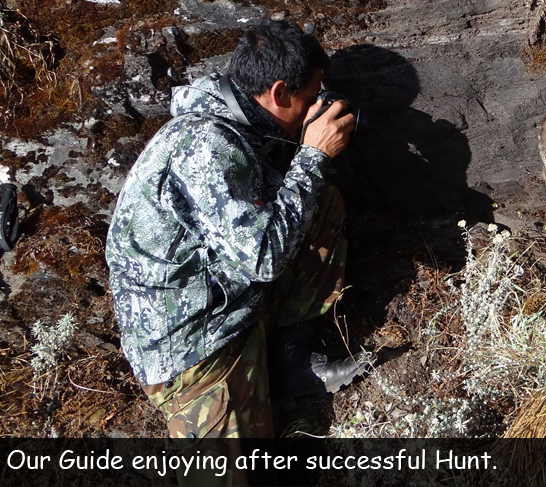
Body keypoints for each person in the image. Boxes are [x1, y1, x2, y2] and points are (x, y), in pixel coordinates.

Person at [105, 19, 373, 446]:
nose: (317, 106)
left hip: (229, 297)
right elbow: (264, 257)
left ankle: (290, 360)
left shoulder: (242, 124)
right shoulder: (205, 144)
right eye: (311, 95)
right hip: (196, 346)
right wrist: (312, 155)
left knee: (319, 202)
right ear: (280, 92)